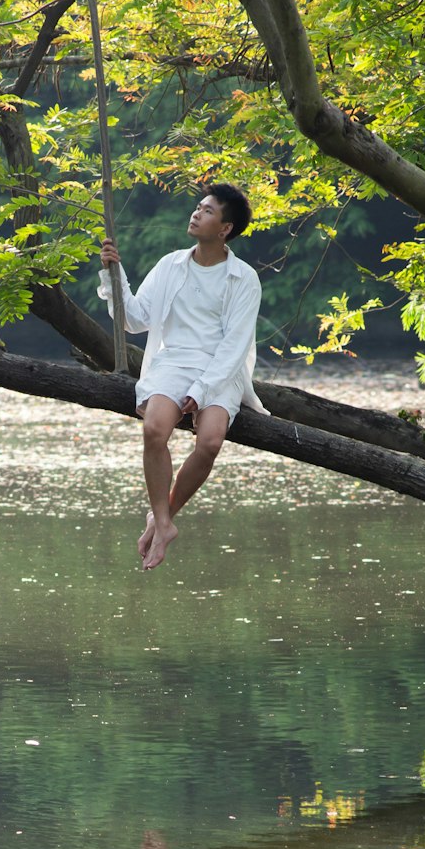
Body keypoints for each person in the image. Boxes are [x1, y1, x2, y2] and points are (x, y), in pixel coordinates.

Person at [99, 184, 266, 570]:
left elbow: (234, 346)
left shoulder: (243, 279)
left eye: (207, 211)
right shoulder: (171, 265)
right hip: (173, 362)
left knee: (209, 442)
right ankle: (162, 522)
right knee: (154, 430)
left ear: (225, 228)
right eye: (197, 207)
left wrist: (203, 389)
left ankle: (161, 518)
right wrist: (114, 274)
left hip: (220, 369)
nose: (196, 214)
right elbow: (134, 319)